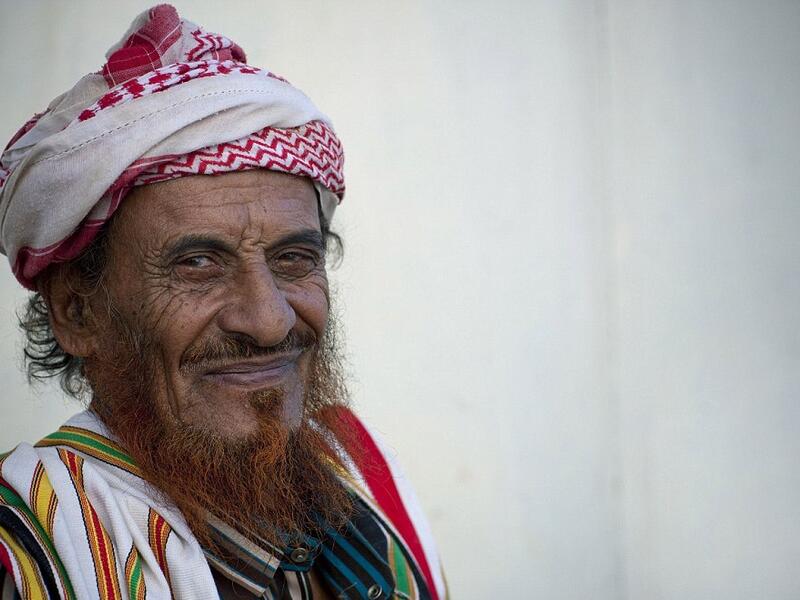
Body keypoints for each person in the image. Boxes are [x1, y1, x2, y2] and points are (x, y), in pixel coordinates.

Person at [0, 5, 446, 599]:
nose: (268, 321)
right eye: (198, 264)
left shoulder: (364, 482)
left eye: (293, 259)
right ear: (78, 312)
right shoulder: (28, 552)